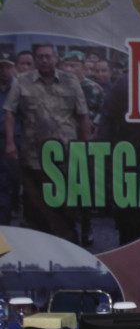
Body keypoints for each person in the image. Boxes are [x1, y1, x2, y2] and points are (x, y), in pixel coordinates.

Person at [3, 43, 90, 244]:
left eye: (48, 56)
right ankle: (40, 244)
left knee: (66, 201)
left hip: (65, 153)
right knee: (35, 203)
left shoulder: (70, 81)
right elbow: (10, 112)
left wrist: (87, 147)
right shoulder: (23, 82)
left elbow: (83, 115)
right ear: (35, 59)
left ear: (56, 58)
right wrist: (10, 142)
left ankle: (68, 243)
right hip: (33, 154)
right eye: (40, 57)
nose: (44, 60)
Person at [0, 53, 18, 225]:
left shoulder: (19, 88)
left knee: (11, 182)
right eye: (1, 67)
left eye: (7, 67)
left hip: (14, 139)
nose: (4, 71)